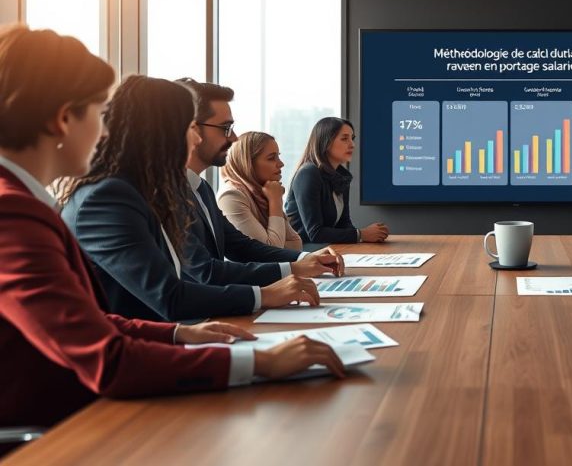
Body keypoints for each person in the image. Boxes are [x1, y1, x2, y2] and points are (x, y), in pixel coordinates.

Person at [0, 25, 343, 434]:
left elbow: (94, 320)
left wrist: (180, 335)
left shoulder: (25, 204)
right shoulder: (14, 215)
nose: (106, 131)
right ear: (62, 119)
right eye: (96, 112)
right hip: (64, 431)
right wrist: (260, 362)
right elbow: (106, 359)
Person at [62, 76, 338, 322]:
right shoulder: (109, 198)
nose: (194, 139)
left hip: (172, 336)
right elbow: (170, 296)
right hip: (136, 357)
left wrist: (295, 267)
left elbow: (234, 248)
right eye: (188, 127)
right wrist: (264, 295)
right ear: (161, 132)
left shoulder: (152, 190)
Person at [175, 78, 340, 273]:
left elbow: (241, 247)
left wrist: (307, 258)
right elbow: (205, 273)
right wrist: (288, 274)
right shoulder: (172, 194)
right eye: (225, 128)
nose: (234, 137)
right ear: (191, 129)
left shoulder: (202, 188)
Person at [286, 117, 389, 244]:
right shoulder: (308, 173)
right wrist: (361, 234)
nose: (352, 144)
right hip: (304, 253)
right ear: (326, 142)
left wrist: (368, 236)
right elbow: (315, 234)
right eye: (344, 139)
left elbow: (344, 223)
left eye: (352, 138)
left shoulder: (341, 176)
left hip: (327, 249)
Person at [219, 131, 303, 250]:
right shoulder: (231, 197)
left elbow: (296, 243)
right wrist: (275, 201)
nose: (281, 164)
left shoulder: (261, 192)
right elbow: (272, 251)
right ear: (248, 164)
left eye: (278, 156)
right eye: (271, 158)